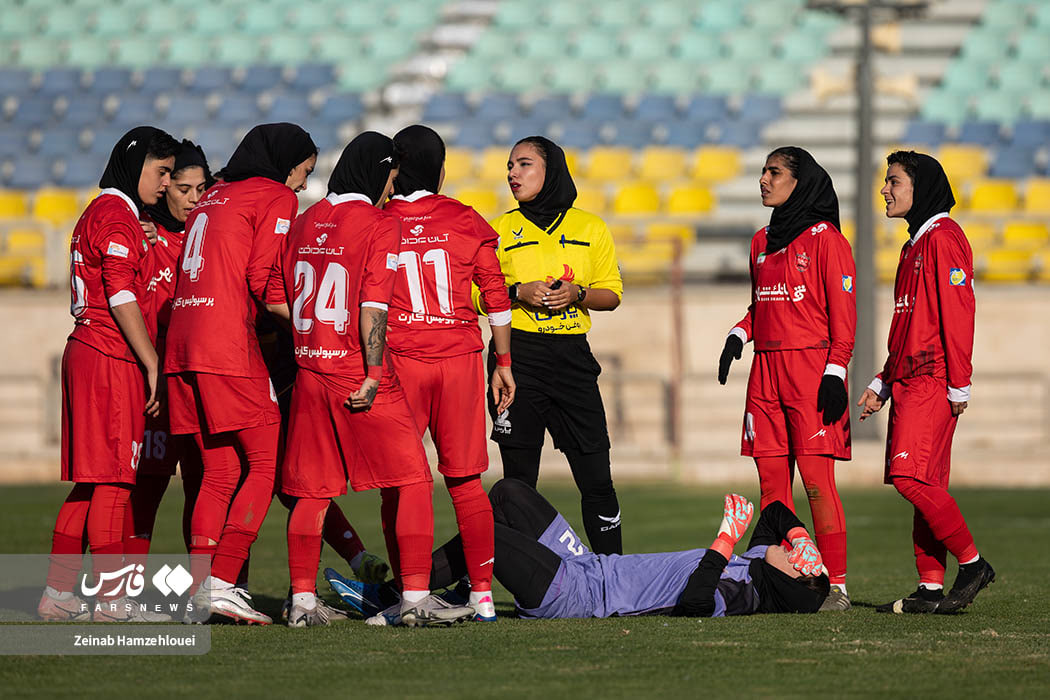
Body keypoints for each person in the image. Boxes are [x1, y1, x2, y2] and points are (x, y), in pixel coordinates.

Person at [264, 132, 474, 628]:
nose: (390, 190)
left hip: (310, 372)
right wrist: (374, 371)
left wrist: (312, 338)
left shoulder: (303, 222)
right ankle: (417, 602)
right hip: (356, 374)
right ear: (377, 171)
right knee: (414, 480)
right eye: (390, 178)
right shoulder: (378, 225)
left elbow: (277, 297)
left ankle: (302, 604)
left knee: (311, 491)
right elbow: (373, 305)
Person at [164, 123, 317, 625]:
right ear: (285, 163)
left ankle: (203, 589)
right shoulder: (273, 195)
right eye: (303, 172)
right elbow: (264, 282)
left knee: (221, 470)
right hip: (225, 342)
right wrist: (313, 329)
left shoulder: (215, 195)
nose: (301, 186)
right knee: (267, 461)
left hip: (182, 341)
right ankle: (225, 580)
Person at [39, 126, 179, 622]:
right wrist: (152, 359)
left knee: (91, 482)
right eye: (160, 172)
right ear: (135, 163)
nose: (165, 183)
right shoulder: (118, 216)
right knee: (117, 483)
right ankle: (112, 602)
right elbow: (120, 294)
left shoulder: (101, 212)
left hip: (86, 349)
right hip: (108, 355)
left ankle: (58, 595)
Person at [383, 125, 515, 622]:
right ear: (439, 169)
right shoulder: (465, 218)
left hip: (401, 361)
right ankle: (482, 595)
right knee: (465, 482)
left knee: (402, 483)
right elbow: (497, 299)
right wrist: (503, 364)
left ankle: (409, 593)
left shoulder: (379, 220)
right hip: (459, 359)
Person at [716, 146, 854, 611]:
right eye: (762, 171)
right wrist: (739, 334)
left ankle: (835, 585)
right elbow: (763, 306)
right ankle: (791, 582)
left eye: (774, 172)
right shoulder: (760, 240)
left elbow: (844, 315)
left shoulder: (827, 239)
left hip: (811, 373)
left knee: (816, 483)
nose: (763, 179)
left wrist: (836, 370)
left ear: (800, 181)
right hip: (765, 375)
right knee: (773, 491)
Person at [860, 150, 994, 614]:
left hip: (933, 378)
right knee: (925, 483)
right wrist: (883, 380)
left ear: (921, 188)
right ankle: (931, 587)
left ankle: (974, 564)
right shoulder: (913, 245)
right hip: (909, 378)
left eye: (894, 181)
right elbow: (907, 323)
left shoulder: (943, 238)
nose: (885, 189)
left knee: (909, 478)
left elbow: (959, 313)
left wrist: (960, 382)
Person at [485, 136, 624, 555]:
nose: (512, 173)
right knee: (517, 485)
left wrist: (578, 294)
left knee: (597, 477)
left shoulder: (591, 226)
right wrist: (515, 291)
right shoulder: (500, 229)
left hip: (572, 360)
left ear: (552, 171)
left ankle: (612, 575)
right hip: (516, 361)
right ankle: (524, 583)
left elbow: (612, 294)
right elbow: (477, 294)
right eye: (510, 166)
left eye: (524, 164)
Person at [428, 479, 830, 619]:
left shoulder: (744, 593)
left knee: (487, 531)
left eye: (801, 564)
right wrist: (801, 537)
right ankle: (434, 589)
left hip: (578, 595)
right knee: (507, 493)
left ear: (788, 580)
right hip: (587, 563)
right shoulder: (760, 563)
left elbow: (694, 603)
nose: (795, 555)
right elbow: (775, 511)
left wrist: (725, 540)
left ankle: (404, 592)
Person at [123, 139, 212, 563]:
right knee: (147, 486)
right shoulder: (145, 236)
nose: (195, 199)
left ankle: (210, 587)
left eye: (201, 188)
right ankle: (121, 585)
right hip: (157, 386)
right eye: (182, 189)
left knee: (205, 485)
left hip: (199, 383)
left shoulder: (213, 240)